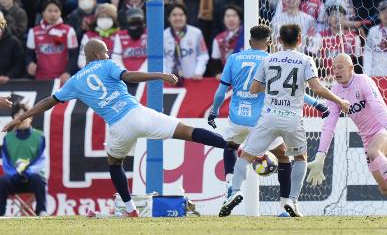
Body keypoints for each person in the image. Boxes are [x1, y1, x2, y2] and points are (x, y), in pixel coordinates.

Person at [2, 38, 232, 217]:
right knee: (187, 131)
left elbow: (48, 102)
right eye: (104, 50)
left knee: (114, 163)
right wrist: (159, 75)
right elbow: (129, 76)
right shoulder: (106, 64)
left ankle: (130, 208)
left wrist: (16, 119)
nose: (108, 53)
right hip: (138, 113)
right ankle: (234, 147)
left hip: (119, 127)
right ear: (95, 54)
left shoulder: (74, 80)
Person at [218, 24, 350, 218]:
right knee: (299, 158)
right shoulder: (306, 60)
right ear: (299, 40)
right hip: (292, 119)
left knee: (245, 156)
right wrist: (340, 101)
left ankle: (235, 191)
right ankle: (292, 201)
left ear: (278, 40)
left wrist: (273, 89)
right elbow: (318, 88)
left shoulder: (269, 59)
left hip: (269, 117)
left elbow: (254, 89)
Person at [306, 54, 387, 212]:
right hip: (367, 138)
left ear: (351, 68)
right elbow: (329, 125)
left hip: (385, 130)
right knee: (385, 188)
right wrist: (321, 155)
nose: (336, 71)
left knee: (373, 152)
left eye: (340, 67)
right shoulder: (335, 92)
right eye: (333, 67)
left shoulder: (363, 81)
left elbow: (378, 107)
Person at [0, 103, 47, 216]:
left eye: (24, 115)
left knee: (38, 180)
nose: (21, 119)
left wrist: (28, 172)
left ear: (30, 117)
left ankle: (41, 211)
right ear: (13, 119)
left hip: (32, 178)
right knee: (2, 181)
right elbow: (6, 161)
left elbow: (41, 159)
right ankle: (1, 214)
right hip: (14, 178)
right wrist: (14, 173)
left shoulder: (39, 136)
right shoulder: (8, 138)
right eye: (17, 116)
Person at [26, 0, 78, 82]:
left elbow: (74, 56)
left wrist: (67, 72)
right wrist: (29, 64)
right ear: (43, 13)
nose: (53, 14)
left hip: (62, 79)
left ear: (60, 13)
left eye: (56, 11)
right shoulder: (34, 32)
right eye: (49, 11)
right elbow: (29, 55)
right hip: (41, 79)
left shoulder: (69, 31)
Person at [163, 3, 209, 81]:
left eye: (181, 15)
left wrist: (198, 72)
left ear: (185, 17)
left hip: (192, 81)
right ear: (169, 18)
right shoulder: (163, 35)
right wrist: (164, 75)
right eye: (174, 15)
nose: (178, 18)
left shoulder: (196, 33)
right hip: (168, 82)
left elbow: (203, 55)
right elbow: (161, 58)